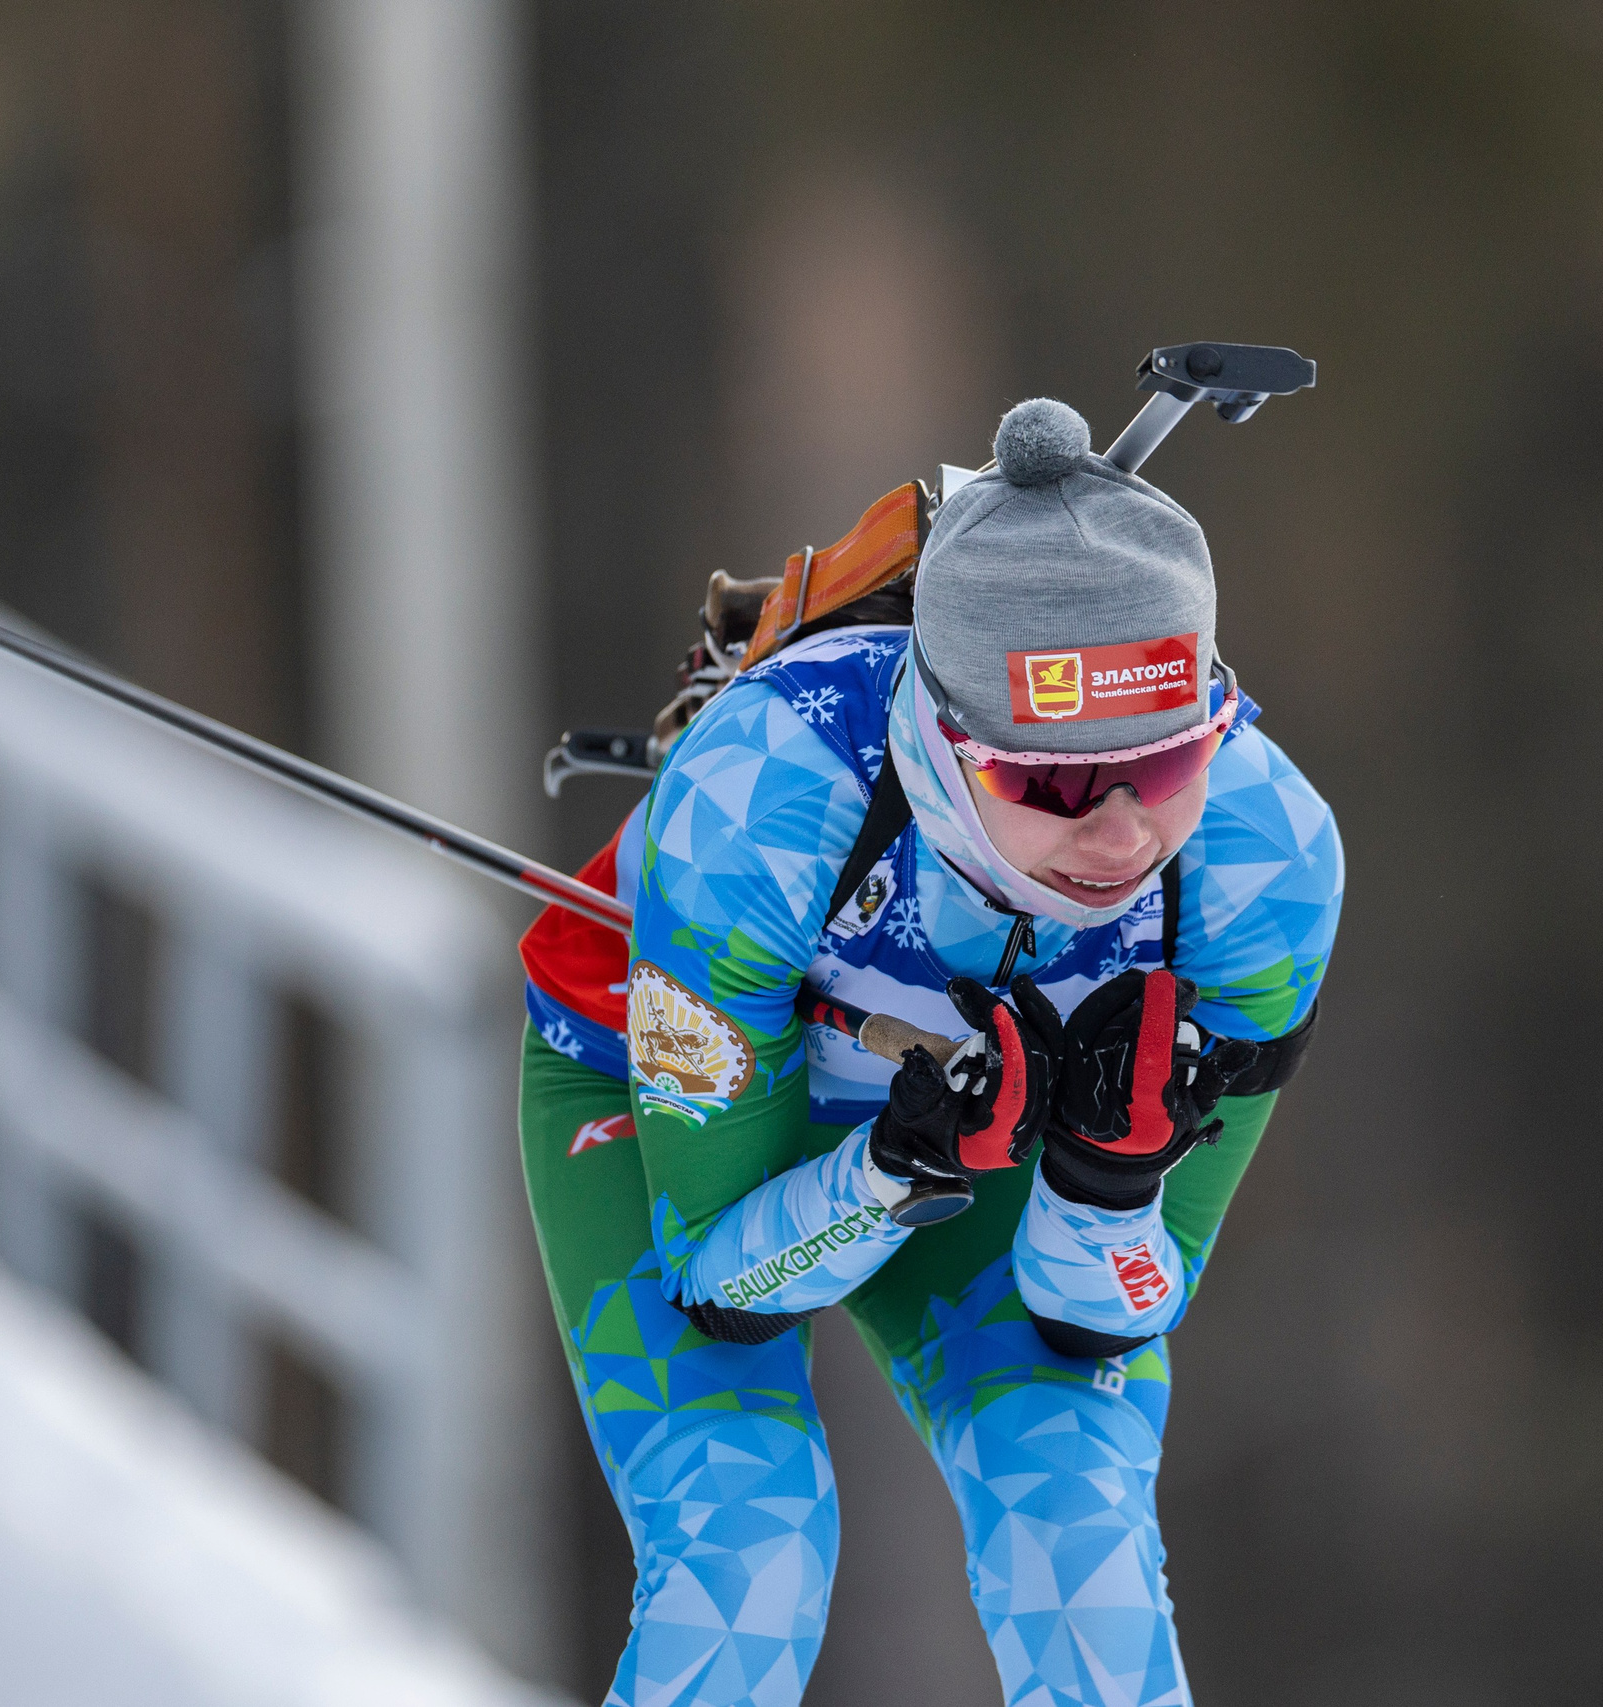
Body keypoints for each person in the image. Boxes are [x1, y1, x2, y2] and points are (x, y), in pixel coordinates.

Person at [515, 397, 1343, 1707]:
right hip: (670, 1101)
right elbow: (724, 1276)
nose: (1123, 836)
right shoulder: (764, 799)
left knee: (1079, 1534)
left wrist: (1107, 1187)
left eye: (1167, 766)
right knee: (750, 1552)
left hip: (983, 1133)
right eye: (1056, 786)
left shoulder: (1263, 859)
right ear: (947, 749)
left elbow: (1110, 1317)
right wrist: (889, 1176)